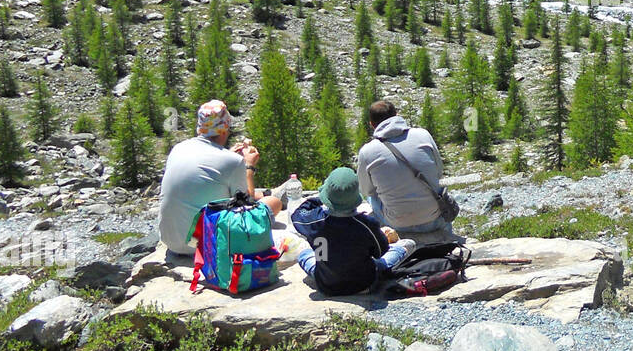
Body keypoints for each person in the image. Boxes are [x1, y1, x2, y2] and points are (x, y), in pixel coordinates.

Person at [158, 100, 282, 255]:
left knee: (255, 195)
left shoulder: (179, 148)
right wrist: (248, 166)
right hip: (205, 246)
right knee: (274, 202)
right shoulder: (232, 161)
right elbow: (246, 203)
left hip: (171, 241)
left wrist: (229, 155)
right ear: (225, 130)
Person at [357, 99, 463, 249]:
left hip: (397, 223)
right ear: (397, 115)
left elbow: (366, 191)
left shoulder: (367, 151)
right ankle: (445, 242)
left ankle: (390, 238)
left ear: (372, 125)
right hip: (434, 218)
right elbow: (439, 171)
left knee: (372, 196)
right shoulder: (423, 135)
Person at [292, 167, 414, 295]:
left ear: (326, 197)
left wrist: (320, 198)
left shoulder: (313, 220)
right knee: (405, 245)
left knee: (303, 254)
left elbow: (298, 213)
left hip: (326, 283)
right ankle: (402, 249)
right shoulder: (367, 224)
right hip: (364, 283)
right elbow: (381, 251)